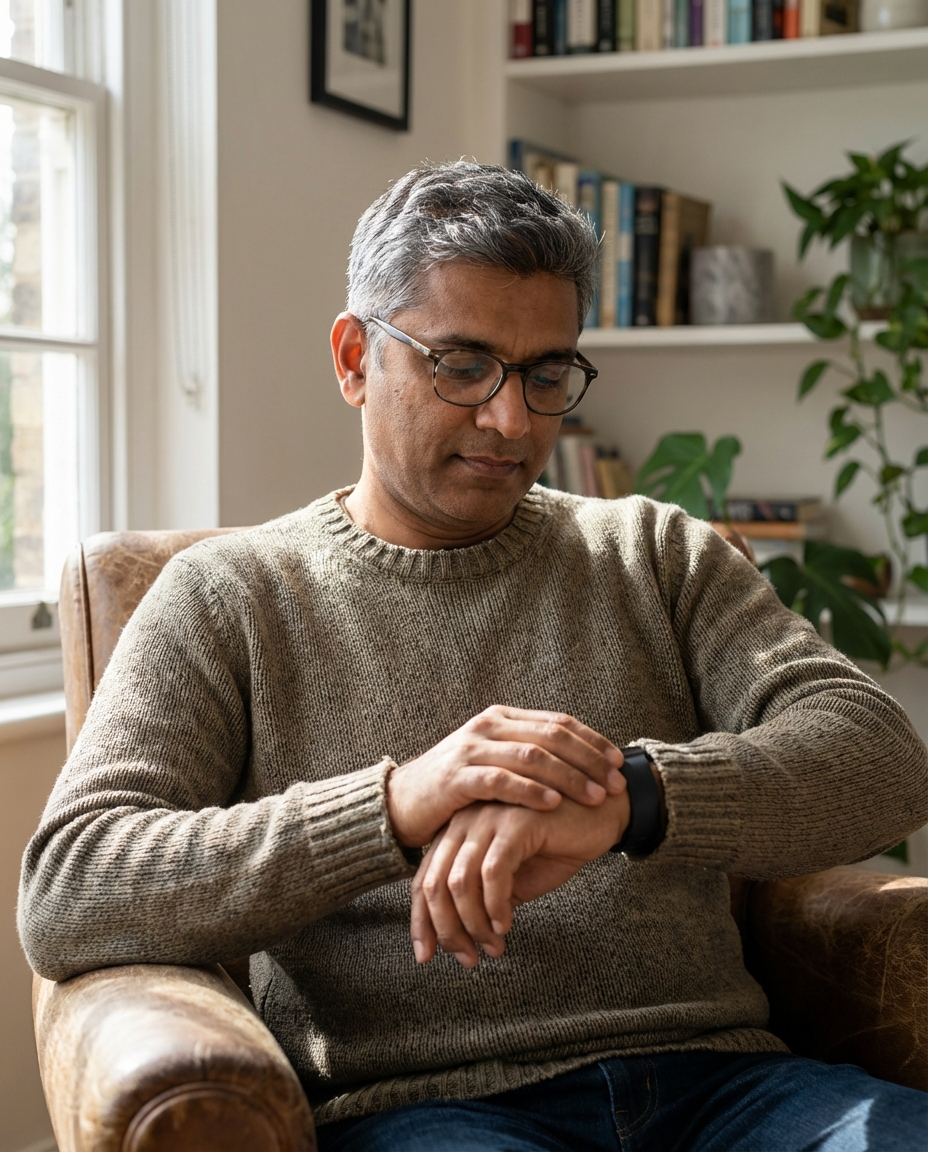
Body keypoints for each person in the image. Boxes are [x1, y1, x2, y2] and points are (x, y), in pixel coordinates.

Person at [19, 161, 928, 1151]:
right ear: (355, 358)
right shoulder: (230, 596)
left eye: (547, 374)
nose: (513, 419)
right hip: (428, 1111)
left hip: (726, 1090)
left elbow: (880, 760)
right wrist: (394, 808)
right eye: (462, 365)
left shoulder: (654, 553)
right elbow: (75, 886)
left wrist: (626, 799)